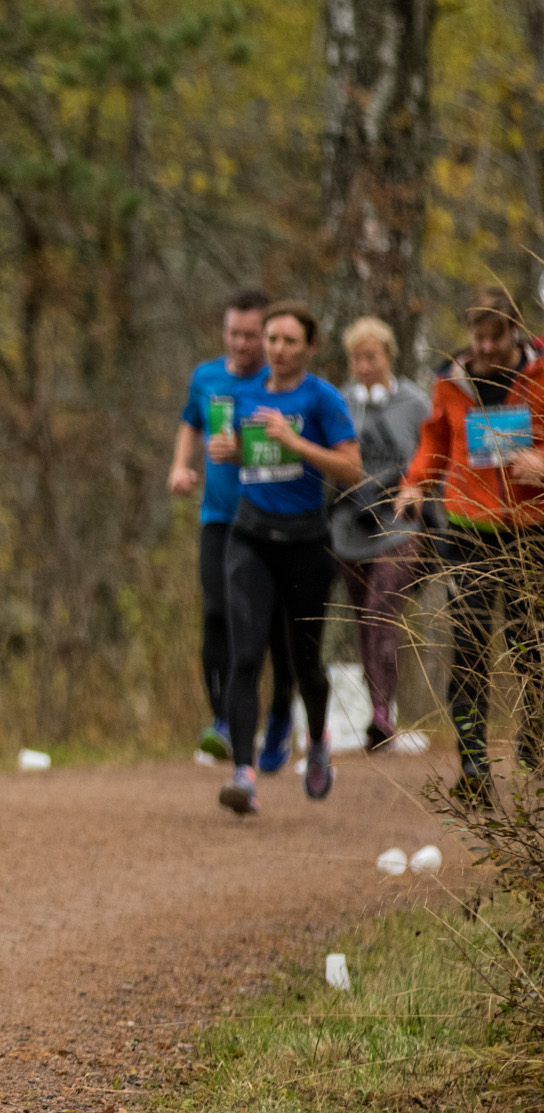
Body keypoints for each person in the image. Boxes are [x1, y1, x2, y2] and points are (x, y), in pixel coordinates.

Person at [208, 302, 361, 814]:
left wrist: (295, 441)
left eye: (290, 341)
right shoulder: (244, 394)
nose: (277, 349)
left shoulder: (322, 398)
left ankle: (317, 740)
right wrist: (230, 451)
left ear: (310, 347)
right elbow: (246, 451)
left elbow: (351, 468)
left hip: (306, 543)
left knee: (304, 663)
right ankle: (243, 774)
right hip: (250, 537)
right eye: (272, 339)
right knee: (245, 656)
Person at [396, 284, 544, 805]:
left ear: (515, 333)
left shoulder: (540, 374)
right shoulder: (451, 382)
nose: (484, 348)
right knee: (468, 648)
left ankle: (534, 740)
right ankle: (474, 765)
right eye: (477, 337)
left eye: (494, 338)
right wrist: (415, 484)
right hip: (468, 529)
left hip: (530, 531)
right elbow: (435, 440)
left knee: (530, 646)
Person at [168, 289, 298, 768]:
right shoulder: (206, 377)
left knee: (277, 629)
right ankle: (223, 720)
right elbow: (190, 422)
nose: (241, 344)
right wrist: (181, 466)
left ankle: (280, 713)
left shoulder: (280, 385)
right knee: (216, 613)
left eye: (250, 335)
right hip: (220, 518)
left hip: (271, 519)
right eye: (233, 333)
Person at [331, 316, 434, 749]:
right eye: (356, 358)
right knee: (364, 619)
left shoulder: (415, 404)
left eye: (371, 357)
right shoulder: (339, 403)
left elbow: (433, 457)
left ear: (389, 355)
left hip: (400, 525)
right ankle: (380, 711)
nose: (363, 366)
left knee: (381, 611)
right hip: (351, 528)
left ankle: (380, 711)